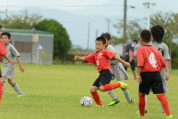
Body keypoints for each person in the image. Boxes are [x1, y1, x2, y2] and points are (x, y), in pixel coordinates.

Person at [74, 36, 130, 106]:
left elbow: (115, 57)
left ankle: (120, 84)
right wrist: (79, 57)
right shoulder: (95, 54)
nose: (97, 46)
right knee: (92, 89)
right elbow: (86, 58)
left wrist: (124, 62)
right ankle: (100, 105)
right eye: (96, 44)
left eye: (99, 44)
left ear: (104, 45)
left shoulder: (105, 51)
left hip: (106, 73)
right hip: (102, 74)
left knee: (102, 88)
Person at [136, 30, 173, 118]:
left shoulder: (140, 49)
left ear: (140, 39)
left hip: (145, 74)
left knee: (141, 94)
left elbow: (140, 63)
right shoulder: (155, 49)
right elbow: (163, 63)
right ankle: (168, 115)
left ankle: (141, 114)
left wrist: (138, 75)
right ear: (151, 39)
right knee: (161, 95)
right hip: (156, 74)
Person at [100, 33, 134, 106]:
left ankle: (130, 101)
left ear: (109, 41)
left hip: (117, 65)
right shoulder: (103, 48)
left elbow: (116, 58)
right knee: (105, 83)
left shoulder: (110, 48)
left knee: (121, 84)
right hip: (110, 67)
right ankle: (114, 99)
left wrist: (124, 62)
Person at [0, 32, 26, 101]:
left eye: (5, 38)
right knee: (10, 81)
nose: (4, 40)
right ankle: (20, 93)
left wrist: (21, 66)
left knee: (2, 78)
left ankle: (1, 94)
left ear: (9, 39)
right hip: (6, 65)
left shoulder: (10, 46)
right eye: (2, 38)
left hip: (10, 65)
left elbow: (17, 55)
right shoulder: (1, 46)